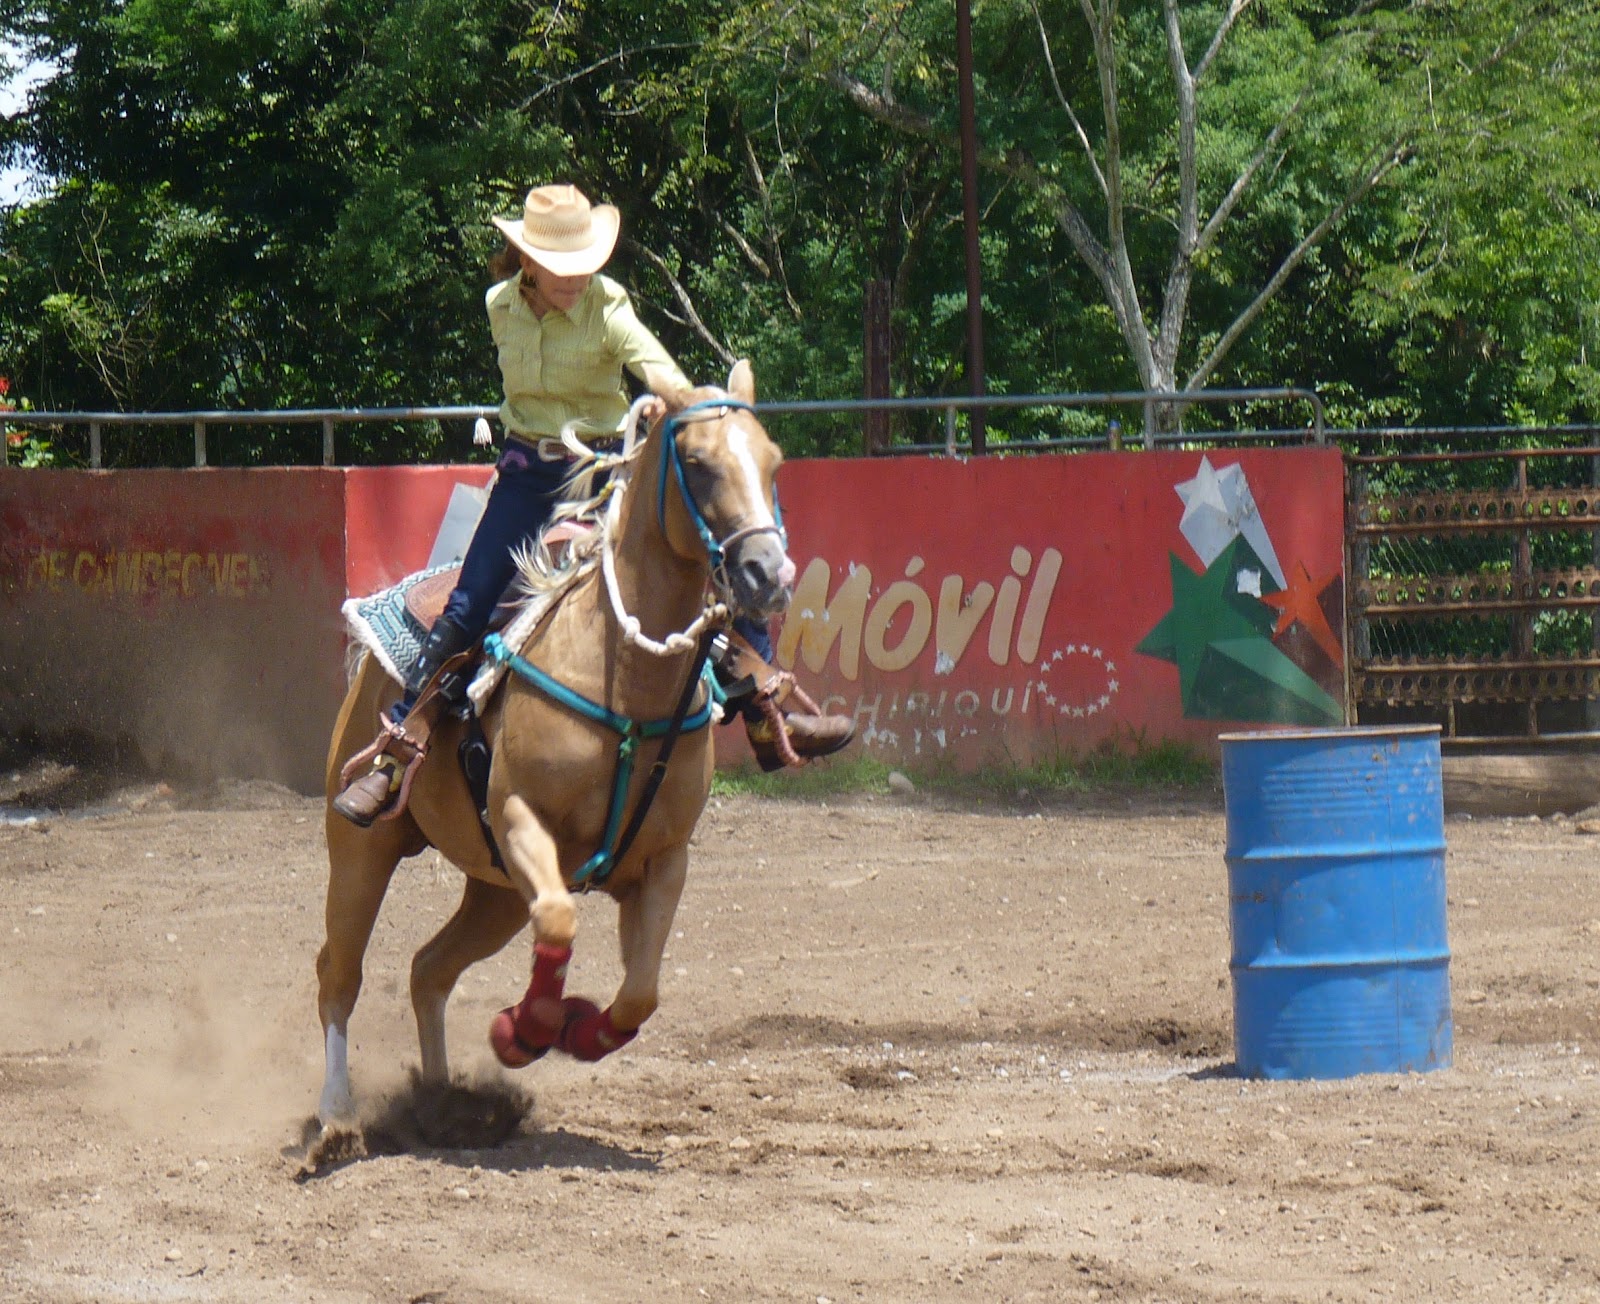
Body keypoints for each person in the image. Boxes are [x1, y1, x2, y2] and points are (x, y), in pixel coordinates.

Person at [333, 183, 854, 826]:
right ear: (528, 262)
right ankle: (396, 750)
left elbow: (651, 360)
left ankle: (768, 716)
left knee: (700, 561)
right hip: (529, 476)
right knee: (470, 602)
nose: (578, 280)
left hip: (607, 471)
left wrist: (680, 398)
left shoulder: (609, 306)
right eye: (564, 269)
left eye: (586, 266)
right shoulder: (500, 306)